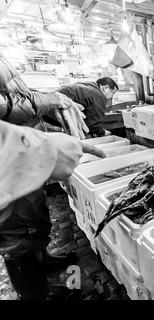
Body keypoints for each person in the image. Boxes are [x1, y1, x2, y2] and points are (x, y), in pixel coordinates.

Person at [0, 55, 102, 300]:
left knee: (32, 219)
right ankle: (36, 294)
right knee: (15, 236)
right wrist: (46, 101)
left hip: (17, 161)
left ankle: (42, 261)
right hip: (7, 168)